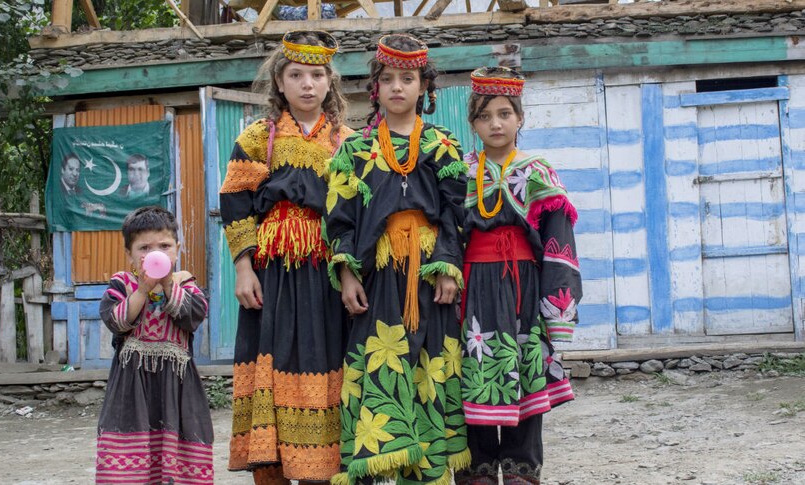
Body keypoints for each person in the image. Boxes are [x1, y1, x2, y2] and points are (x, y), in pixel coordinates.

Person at [324, 33, 470, 485]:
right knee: (379, 364)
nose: (397, 87)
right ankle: (378, 467)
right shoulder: (355, 150)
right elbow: (339, 218)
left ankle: (428, 473)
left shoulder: (443, 145)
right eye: (387, 79)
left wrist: (447, 265)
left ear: (425, 88)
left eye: (408, 79)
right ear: (376, 88)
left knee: (429, 369)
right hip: (381, 277)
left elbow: (455, 211)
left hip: (428, 277)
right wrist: (348, 276)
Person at [220, 30, 352, 484]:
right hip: (271, 274)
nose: (307, 85)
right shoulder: (259, 138)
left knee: (325, 356)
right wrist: (243, 267)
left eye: (317, 75)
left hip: (325, 272)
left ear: (329, 82)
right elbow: (235, 200)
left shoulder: (345, 142)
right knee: (270, 364)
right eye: (296, 74)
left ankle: (321, 470)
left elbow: (354, 208)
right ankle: (272, 469)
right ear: (279, 81)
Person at [456, 67, 582, 485]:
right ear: (472, 122)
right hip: (472, 288)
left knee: (525, 370)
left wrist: (558, 308)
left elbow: (558, 243)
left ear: (520, 118)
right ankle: (477, 469)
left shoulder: (537, 171)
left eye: (505, 113)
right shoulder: (459, 173)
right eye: (485, 115)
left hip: (523, 288)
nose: (496, 123)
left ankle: (521, 469)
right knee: (473, 372)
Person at [95, 206, 214, 484]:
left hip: (177, 389)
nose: (154, 253)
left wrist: (169, 285)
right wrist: (142, 290)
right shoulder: (121, 285)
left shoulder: (188, 286)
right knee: (128, 466)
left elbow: (193, 316)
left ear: (176, 250)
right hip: (131, 390)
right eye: (144, 248)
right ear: (130, 255)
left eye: (164, 245)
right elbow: (117, 322)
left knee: (178, 462)